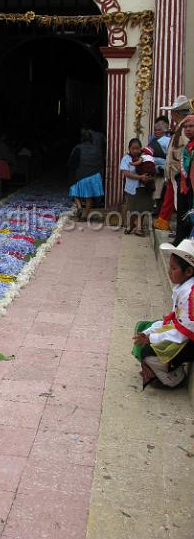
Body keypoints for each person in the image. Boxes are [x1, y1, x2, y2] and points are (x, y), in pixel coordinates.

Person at [133, 239, 194, 389]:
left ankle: (173, 378)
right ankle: (164, 368)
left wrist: (152, 338)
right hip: (182, 332)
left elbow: (184, 332)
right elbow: (175, 320)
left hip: (190, 340)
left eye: (173, 269)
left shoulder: (191, 295)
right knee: (144, 327)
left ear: (188, 272)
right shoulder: (184, 287)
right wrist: (149, 331)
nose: (169, 272)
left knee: (148, 351)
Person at [154, 97, 192, 231]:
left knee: (179, 203)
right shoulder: (181, 127)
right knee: (176, 201)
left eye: (173, 113)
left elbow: (186, 150)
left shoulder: (184, 128)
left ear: (177, 113)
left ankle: (181, 232)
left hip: (179, 171)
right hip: (176, 171)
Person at [67, 129, 104, 220]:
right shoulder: (97, 149)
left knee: (73, 190)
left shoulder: (78, 148)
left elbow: (71, 163)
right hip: (95, 177)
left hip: (81, 175)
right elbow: (101, 162)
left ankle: (79, 206)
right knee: (89, 197)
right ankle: (85, 216)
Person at [120, 138, 153, 237]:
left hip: (144, 187)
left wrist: (149, 177)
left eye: (137, 148)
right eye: (133, 148)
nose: (135, 151)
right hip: (132, 188)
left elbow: (150, 167)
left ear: (140, 149)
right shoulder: (126, 159)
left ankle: (138, 228)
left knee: (142, 208)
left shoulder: (145, 157)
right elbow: (126, 173)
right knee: (132, 208)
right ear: (129, 149)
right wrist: (140, 177)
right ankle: (131, 226)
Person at [172, 114, 194, 245]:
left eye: (191, 126)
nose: (188, 129)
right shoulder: (189, 145)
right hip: (186, 185)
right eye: (185, 127)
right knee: (184, 214)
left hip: (191, 186)